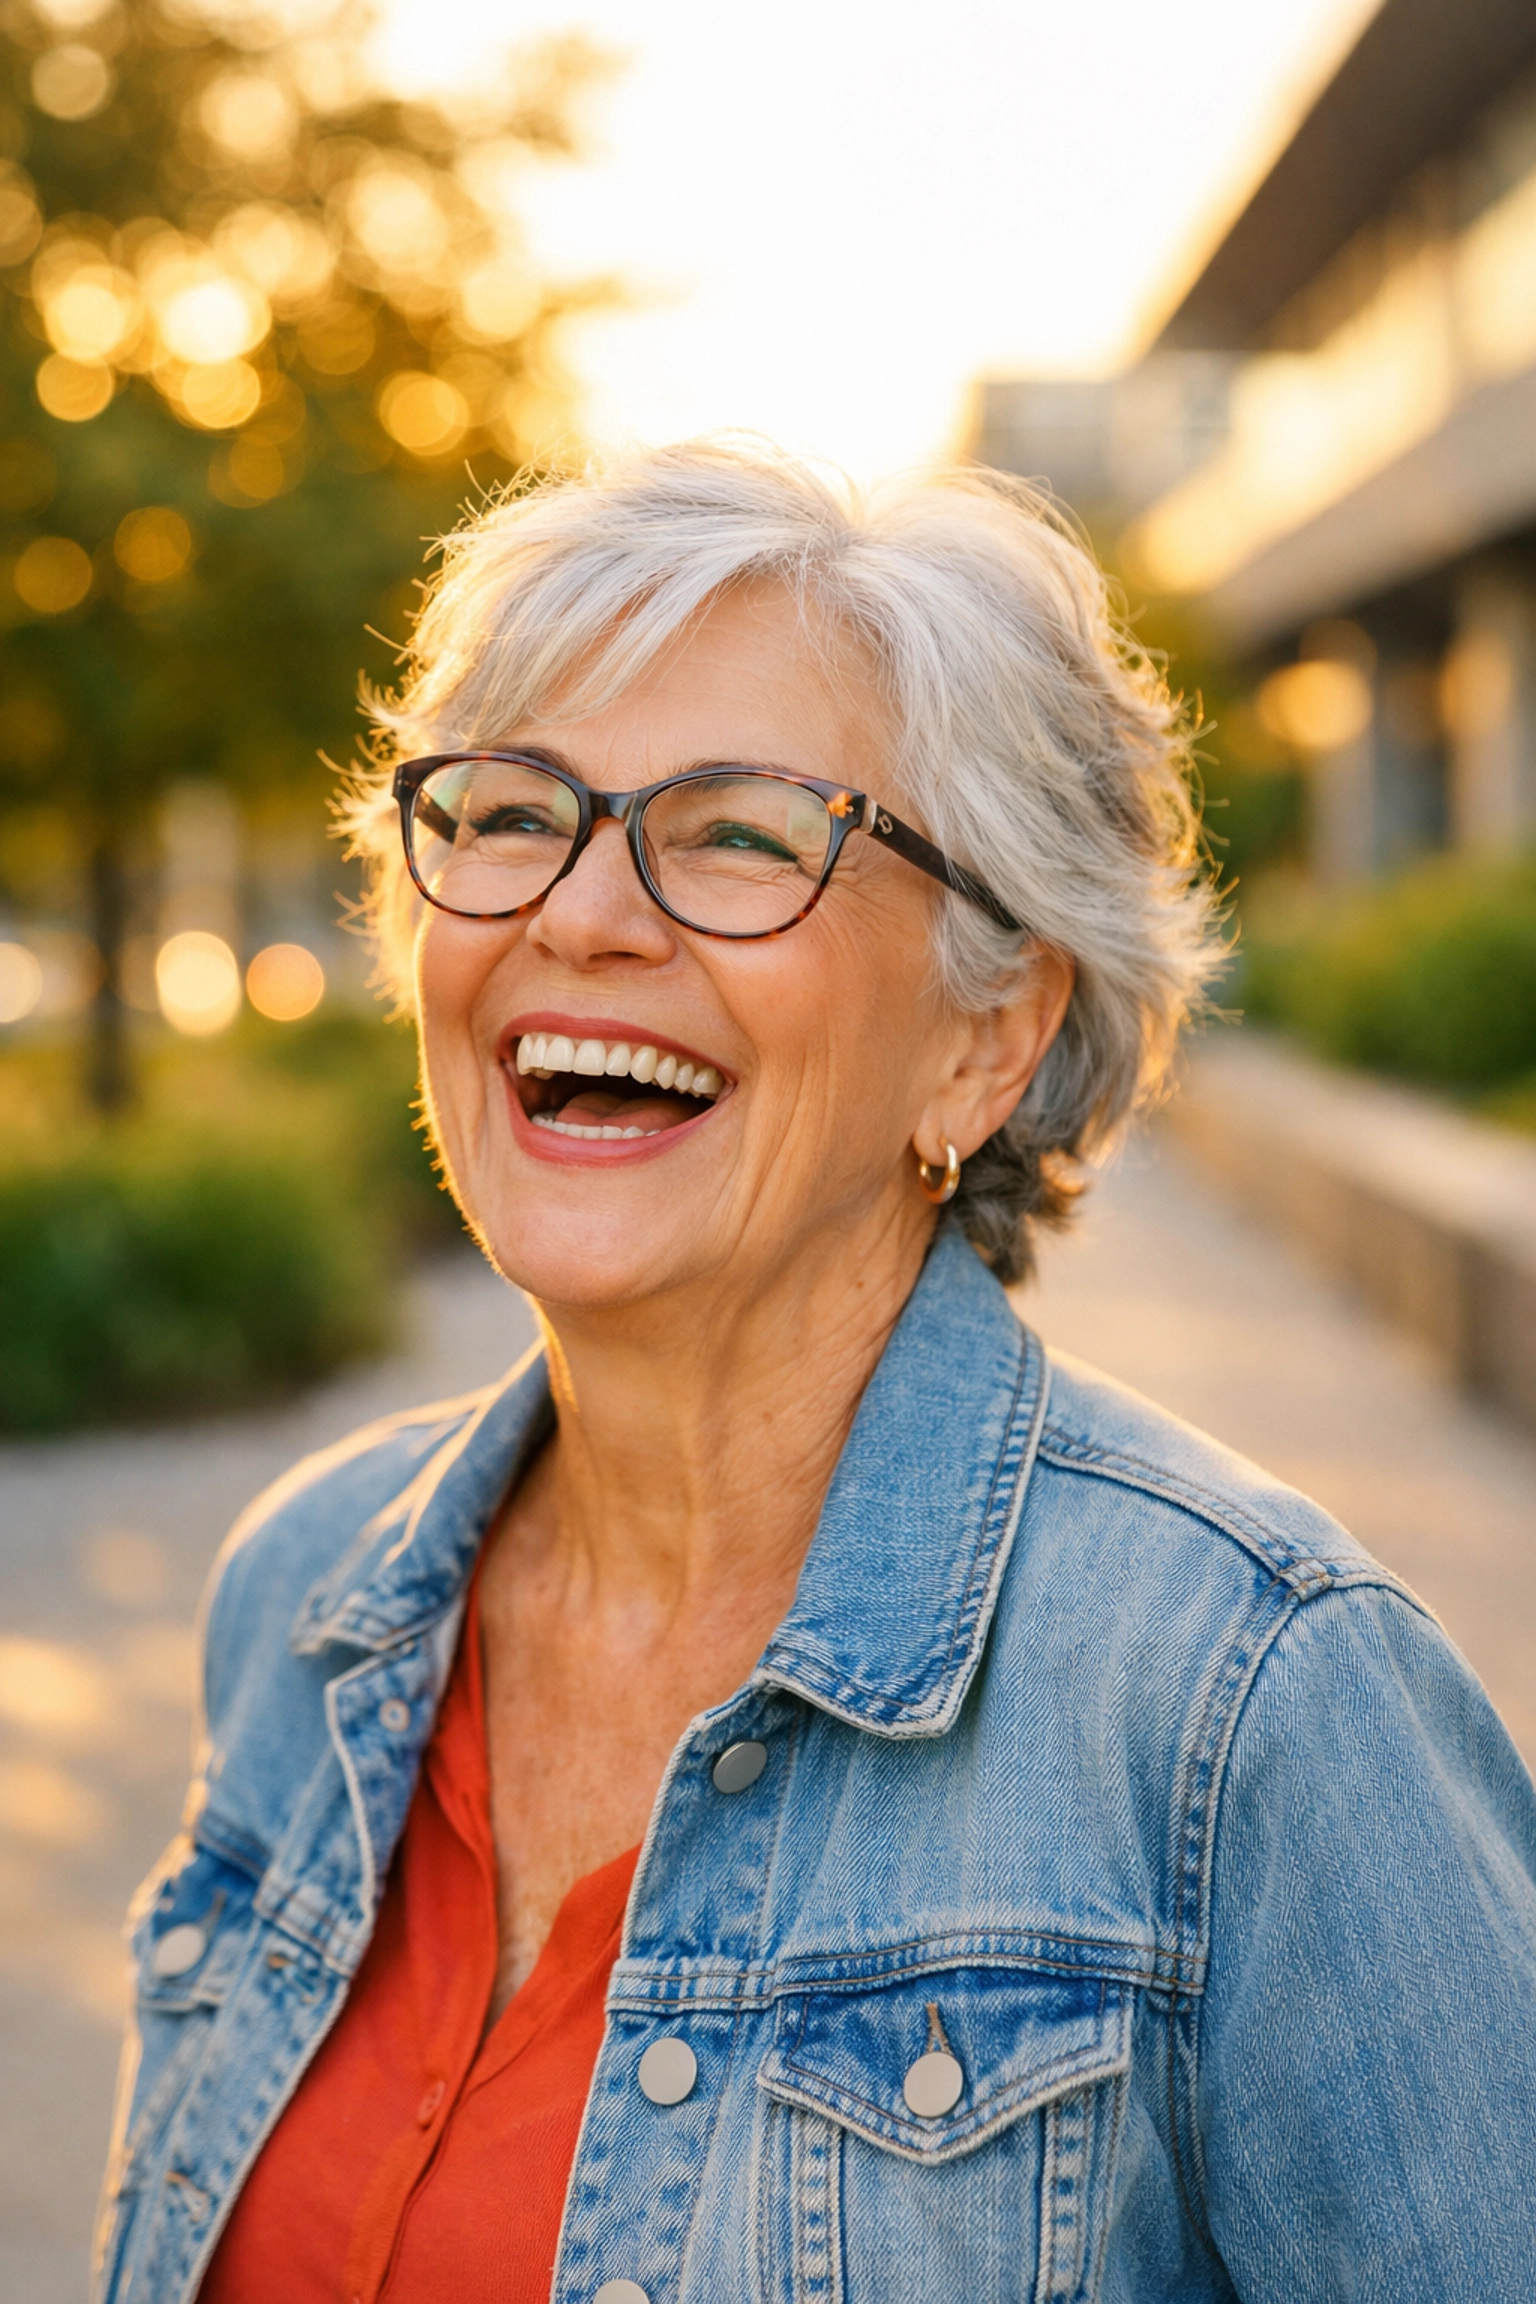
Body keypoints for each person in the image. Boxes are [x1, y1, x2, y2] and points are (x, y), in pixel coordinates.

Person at [97, 444, 1536, 2304]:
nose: (584, 916)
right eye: (514, 811)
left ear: (987, 1039)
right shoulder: (309, 1592)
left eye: (742, 834)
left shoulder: (1248, 1706)